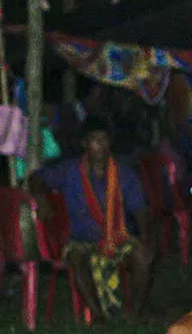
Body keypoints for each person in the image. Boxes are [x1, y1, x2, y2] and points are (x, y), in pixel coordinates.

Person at [31, 117, 154, 322]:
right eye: (95, 140)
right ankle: (97, 315)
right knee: (76, 257)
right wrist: (41, 198)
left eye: (104, 140)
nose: (101, 146)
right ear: (85, 144)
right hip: (82, 238)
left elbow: (140, 209)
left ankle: (135, 313)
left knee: (143, 255)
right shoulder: (70, 171)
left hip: (117, 236)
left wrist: (145, 237)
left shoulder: (124, 174)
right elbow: (36, 178)